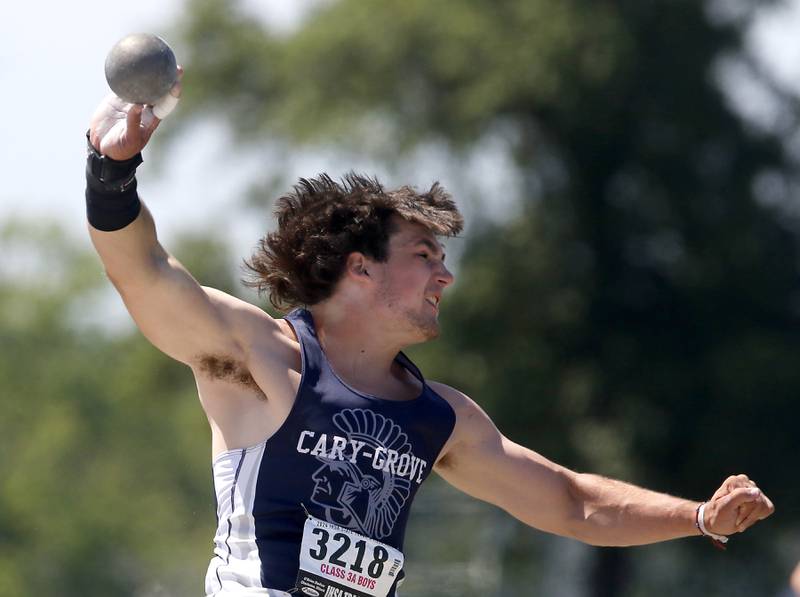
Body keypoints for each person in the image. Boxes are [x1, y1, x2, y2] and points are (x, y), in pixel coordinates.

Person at [85, 73, 774, 597]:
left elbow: (576, 503)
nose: (445, 277)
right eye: (424, 257)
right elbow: (142, 271)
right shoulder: (261, 357)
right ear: (359, 268)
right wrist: (110, 173)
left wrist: (699, 515)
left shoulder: (439, 417)